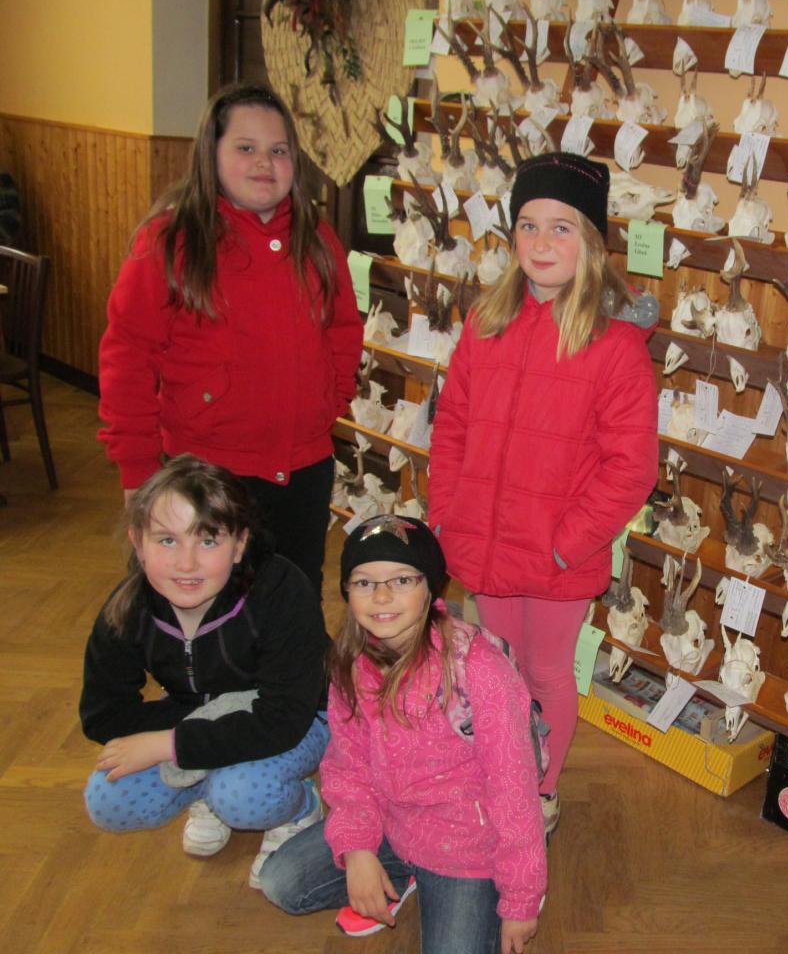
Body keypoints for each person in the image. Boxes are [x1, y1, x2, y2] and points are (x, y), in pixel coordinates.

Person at [426, 152, 658, 835]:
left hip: (558, 555)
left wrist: (566, 544)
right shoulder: (486, 322)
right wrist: (447, 514)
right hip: (485, 540)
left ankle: (540, 788)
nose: (541, 242)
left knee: (548, 672)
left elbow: (631, 467)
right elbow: (452, 427)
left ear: (591, 242)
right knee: (496, 670)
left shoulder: (615, 345)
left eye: (562, 227)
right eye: (528, 226)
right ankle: (501, 772)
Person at [97, 82, 363, 593]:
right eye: (246, 147)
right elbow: (127, 357)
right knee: (204, 604)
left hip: (303, 471)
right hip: (207, 473)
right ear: (211, 154)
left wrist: (327, 401)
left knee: (292, 600)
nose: (264, 162)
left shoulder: (316, 239)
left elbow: (343, 329)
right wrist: (137, 470)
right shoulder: (171, 241)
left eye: (278, 150)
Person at [258, 515, 546, 954]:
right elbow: (348, 767)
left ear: (430, 588)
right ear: (347, 591)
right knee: (281, 882)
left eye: (402, 580)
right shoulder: (351, 662)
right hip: (391, 824)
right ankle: (401, 874)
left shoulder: (478, 669)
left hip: (467, 849)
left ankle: (439, 884)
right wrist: (358, 850)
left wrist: (520, 900)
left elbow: (514, 789)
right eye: (364, 582)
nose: (382, 596)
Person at [80, 454, 330, 888]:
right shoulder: (129, 607)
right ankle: (208, 786)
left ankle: (299, 809)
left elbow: (284, 718)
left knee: (243, 794)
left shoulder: (281, 590)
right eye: (167, 540)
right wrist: (196, 731)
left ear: (240, 544)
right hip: (202, 716)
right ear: (138, 543)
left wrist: (171, 744)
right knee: (107, 800)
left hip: (302, 716)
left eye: (208, 540)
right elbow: (102, 715)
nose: (187, 563)